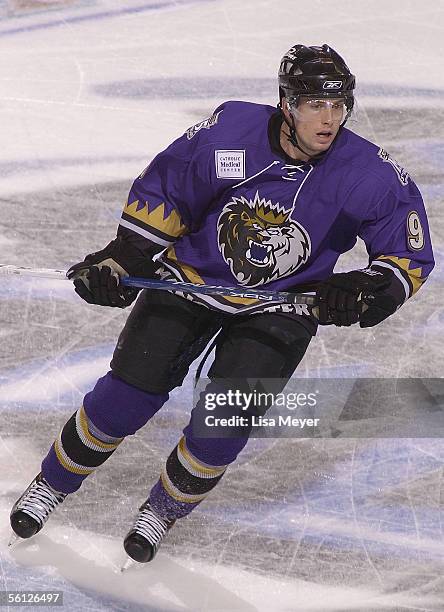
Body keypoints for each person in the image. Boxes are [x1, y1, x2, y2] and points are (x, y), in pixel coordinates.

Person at [10, 44, 434, 564]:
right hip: (191, 282)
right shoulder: (229, 132)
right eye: (314, 105)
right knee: (123, 400)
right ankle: (52, 485)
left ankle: (162, 510)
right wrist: (122, 261)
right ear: (286, 104)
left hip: (280, 306)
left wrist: (366, 290)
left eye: (339, 105)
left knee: (221, 426)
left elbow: (407, 255)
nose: (329, 119)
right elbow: (168, 193)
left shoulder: (367, 171)